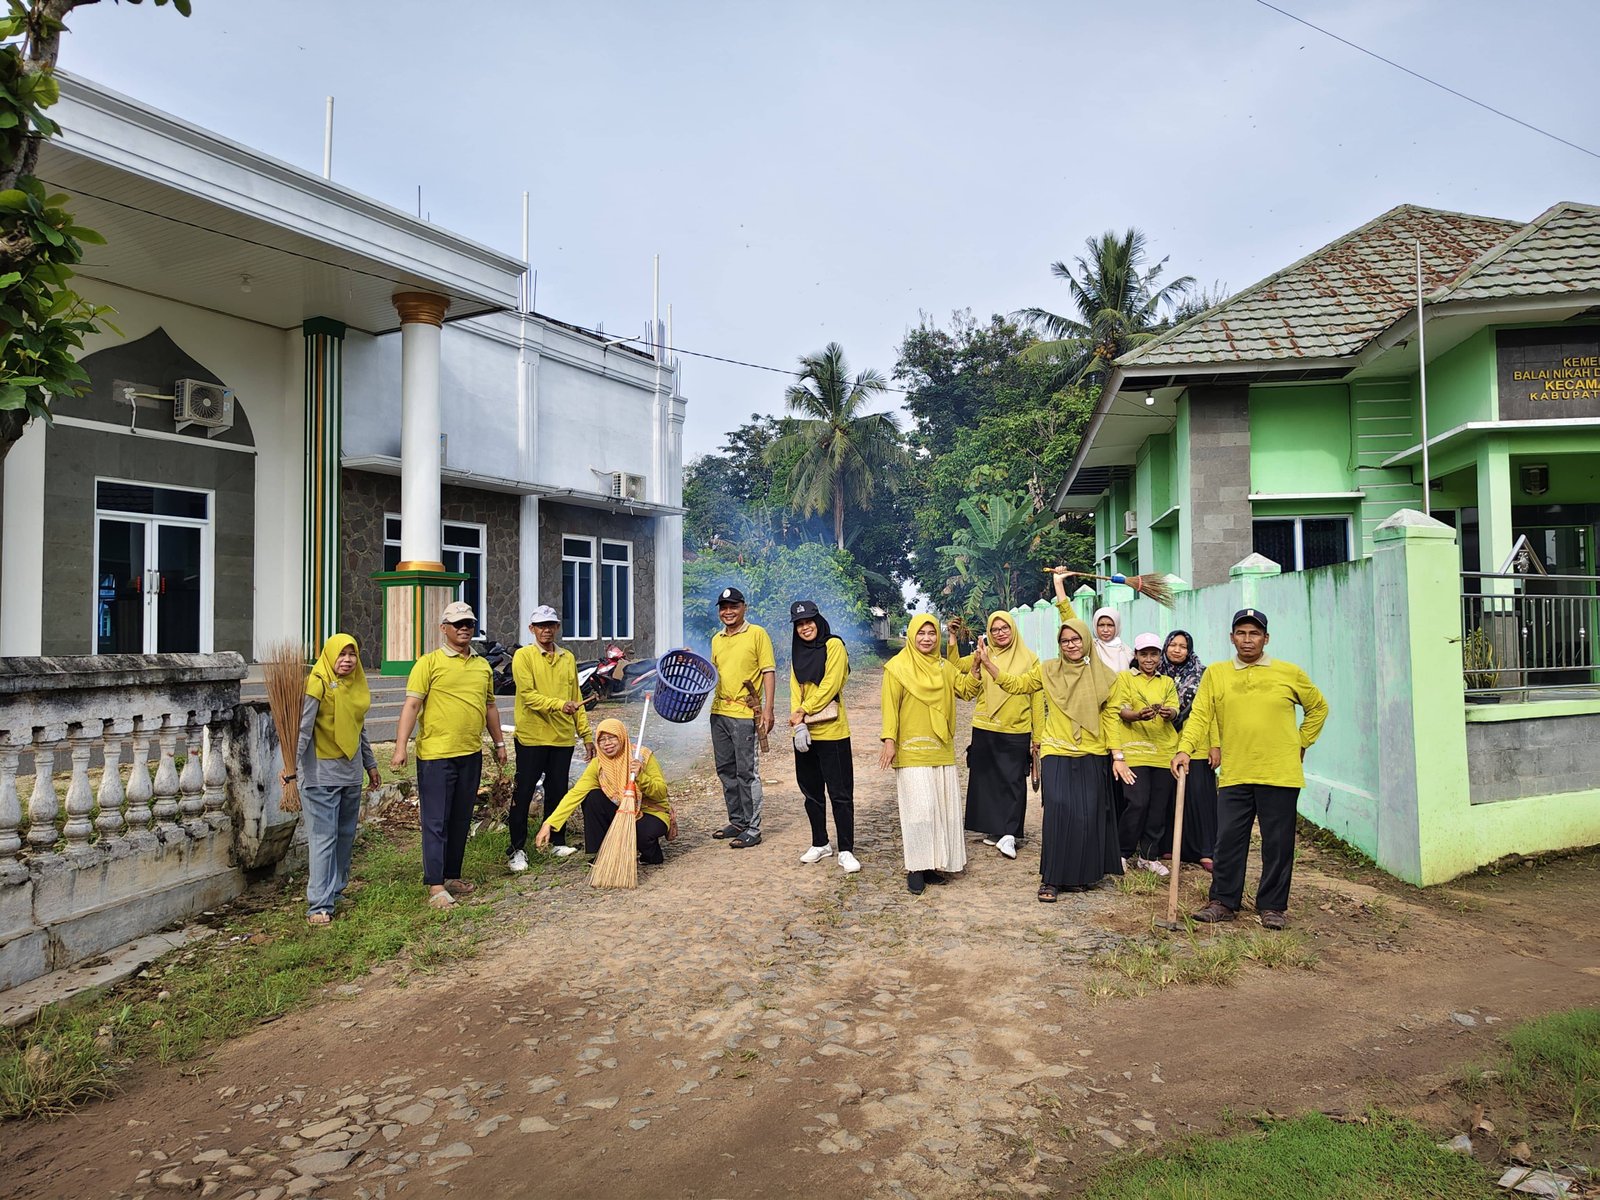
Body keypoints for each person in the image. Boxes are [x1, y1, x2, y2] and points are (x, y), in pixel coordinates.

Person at [1173, 608, 1328, 931]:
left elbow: (1318, 708)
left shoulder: (1289, 673)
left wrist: (1301, 743)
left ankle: (1272, 906)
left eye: (1254, 633)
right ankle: (1223, 901)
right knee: (1228, 840)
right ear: (1232, 638)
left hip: (1280, 773)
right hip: (1236, 773)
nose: (1247, 639)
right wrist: (1185, 750)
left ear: (1265, 638)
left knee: (1278, 842)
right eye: (1241, 633)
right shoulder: (1217, 674)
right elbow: (1200, 715)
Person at [979, 607, 1125, 901]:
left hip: (1092, 752)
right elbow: (1018, 685)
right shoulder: (1047, 670)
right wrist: (990, 666)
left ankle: (1082, 875)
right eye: (1065, 640)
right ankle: (1052, 879)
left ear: (1086, 641)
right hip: (1056, 749)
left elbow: (1111, 718)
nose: (1071, 645)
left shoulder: (1106, 677)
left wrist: (1118, 756)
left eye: (1076, 639)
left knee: (1086, 815)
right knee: (1058, 811)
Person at [391, 601, 508, 909]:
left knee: (460, 818)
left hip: (470, 753)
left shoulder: (482, 666)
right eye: (457, 624)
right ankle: (434, 884)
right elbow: (412, 706)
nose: (464, 628)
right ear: (444, 628)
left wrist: (499, 744)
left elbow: (490, 707)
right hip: (436, 756)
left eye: (469, 623)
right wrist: (401, 746)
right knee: (436, 820)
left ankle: (452, 874)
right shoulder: (428, 663)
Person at [879, 614, 981, 894]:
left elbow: (966, 690)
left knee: (940, 809)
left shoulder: (944, 667)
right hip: (911, 749)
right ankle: (915, 866)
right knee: (919, 810)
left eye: (932, 633)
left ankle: (933, 864)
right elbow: (890, 706)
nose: (927, 638)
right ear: (912, 635)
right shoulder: (897, 668)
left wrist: (976, 668)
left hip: (941, 748)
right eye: (921, 633)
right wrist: (889, 740)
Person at [289, 633, 380, 927]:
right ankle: (319, 904)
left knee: (344, 836)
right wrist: (291, 767)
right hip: (320, 775)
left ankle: (336, 891)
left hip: (350, 774)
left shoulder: (356, 685)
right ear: (329, 656)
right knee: (323, 838)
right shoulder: (316, 683)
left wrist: (371, 764)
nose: (347, 660)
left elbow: (359, 728)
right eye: (341, 655)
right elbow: (302, 729)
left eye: (352, 654)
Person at [508, 605, 594, 871]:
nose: (546, 630)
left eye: (551, 625)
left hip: (562, 738)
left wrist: (586, 735)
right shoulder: (523, 656)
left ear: (557, 627)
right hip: (532, 737)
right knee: (523, 792)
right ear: (532, 629)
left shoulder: (568, 657)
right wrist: (559, 705)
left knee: (558, 790)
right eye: (541, 625)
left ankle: (557, 839)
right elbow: (528, 695)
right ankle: (516, 849)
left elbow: (576, 698)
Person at [954, 606, 1042, 861]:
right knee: (988, 779)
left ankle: (1010, 833)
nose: (1000, 632)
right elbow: (959, 670)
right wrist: (953, 642)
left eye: (1004, 628)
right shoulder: (982, 654)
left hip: (1016, 726)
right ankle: (995, 829)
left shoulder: (1029, 658)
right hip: (985, 724)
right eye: (995, 629)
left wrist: (1038, 737)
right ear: (989, 633)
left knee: (1013, 780)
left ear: (1013, 629)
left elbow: (1037, 698)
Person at [536, 717, 674, 865]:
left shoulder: (642, 756)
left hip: (650, 812)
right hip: (621, 810)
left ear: (621, 736)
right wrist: (549, 823)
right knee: (592, 797)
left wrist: (641, 777)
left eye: (612, 737)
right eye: (602, 740)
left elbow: (661, 792)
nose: (607, 743)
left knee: (641, 834)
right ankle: (603, 854)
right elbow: (575, 794)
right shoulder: (598, 764)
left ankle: (649, 853)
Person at [788, 599, 859, 873]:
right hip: (806, 732)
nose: (805, 628)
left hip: (833, 732)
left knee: (840, 793)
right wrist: (798, 724)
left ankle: (847, 849)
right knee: (811, 792)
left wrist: (803, 710)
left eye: (809, 622)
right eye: (800, 624)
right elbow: (795, 688)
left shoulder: (834, 646)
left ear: (819, 621)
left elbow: (831, 685)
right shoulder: (795, 653)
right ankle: (820, 842)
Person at [708, 587, 776, 849]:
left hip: (745, 714)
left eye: (733, 606)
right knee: (725, 769)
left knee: (747, 772)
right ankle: (736, 821)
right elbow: (713, 672)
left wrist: (768, 710)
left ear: (744, 607)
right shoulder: (717, 639)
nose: (728, 612)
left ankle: (753, 827)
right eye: (723, 607)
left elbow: (768, 672)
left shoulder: (757, 634)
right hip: (719, 713)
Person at [1110, 633, 1181, 876]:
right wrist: (1138, 715)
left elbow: (1175, 709)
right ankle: (1121, 852)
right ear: (1136, 656)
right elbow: (1121, 711)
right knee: (1137, 802)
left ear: (1159, 657)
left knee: (1158, 807)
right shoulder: (1124, 679)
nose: (1149, 659)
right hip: (1135, 751)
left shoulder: (1167, 682)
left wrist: (1167, 713)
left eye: (1153, 654)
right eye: (1144, 654)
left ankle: (1149, 856)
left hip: (1163, 751)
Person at [1161, 629, 1218, 872]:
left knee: (1199, 799)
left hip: (1196, 746)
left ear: (1189, 650)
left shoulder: (1202, 675)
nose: (1177, 649)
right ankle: (1175, 847)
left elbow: (1211, 711)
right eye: (1172, 644)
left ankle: (1206, 850)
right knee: (1170, 800)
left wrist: (1215, 744)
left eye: (1182, 646)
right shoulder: (1156, 674)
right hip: (1165, 745)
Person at [1091, 606, 1133, 672]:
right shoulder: (1092, 648)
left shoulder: (1126, 651)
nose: (1105, 630)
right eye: (1101, 625)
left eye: (1110, 625)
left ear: (1117, 626)